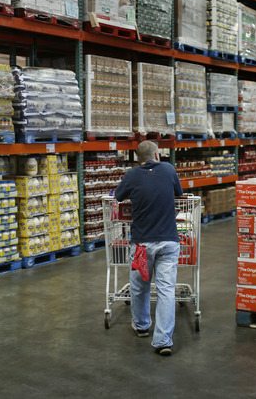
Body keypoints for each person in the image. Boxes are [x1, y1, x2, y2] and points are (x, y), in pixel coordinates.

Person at [114, 140, 183, 356]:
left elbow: (117, 196)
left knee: (139, 285)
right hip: (169, 243)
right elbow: (178, 194)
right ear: (157, 155)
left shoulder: (131, 175)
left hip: (142, 244)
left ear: (137, 158)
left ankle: (142, 326)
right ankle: (163, 341)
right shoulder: (169, 170)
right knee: (165, 290)